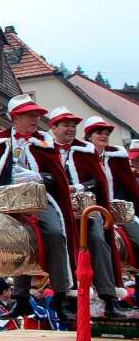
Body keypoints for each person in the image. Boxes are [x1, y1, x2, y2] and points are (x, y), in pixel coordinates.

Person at [0, 94, 75, 323]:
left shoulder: (45, 141)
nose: (36, 119)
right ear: (14, 118)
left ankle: (60, 297)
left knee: (55, 233)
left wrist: (39, 177)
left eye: (37, 115)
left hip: (38, 199)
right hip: (1, 199)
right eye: (30, 115)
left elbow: (57, 177)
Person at [47, 107, 123, 317]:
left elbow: (98, 181)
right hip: (57, 208)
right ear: (53, 127)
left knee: (98, 240)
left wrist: (77, 188)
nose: (71, 129)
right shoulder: (45, 148)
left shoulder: (85, 149)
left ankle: (109, 297)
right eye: (66, 125)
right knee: (57, 237)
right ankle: (62, 297)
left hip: (86, 209)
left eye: (74, 126)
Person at [84, 117, 139, 270]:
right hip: (90, 211)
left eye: (107, 133)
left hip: (116, 210)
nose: (104, 136)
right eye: (99, 133)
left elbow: (131, 188)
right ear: (89, 136)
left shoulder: (116, 156)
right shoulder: (80, 155)